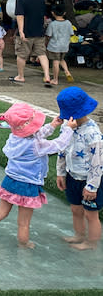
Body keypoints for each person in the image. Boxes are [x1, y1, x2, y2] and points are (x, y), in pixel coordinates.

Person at [0, 103, 76, 248]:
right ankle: (24, 245)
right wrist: (68, 129)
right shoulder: (36, 146)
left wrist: (53, 125)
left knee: (1, 211)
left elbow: (36, 134)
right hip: (28, 185)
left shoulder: (14, 138)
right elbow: (58, 144)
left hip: (10, 180)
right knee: (23, 223)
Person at [56, 87, 102, 250]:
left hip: (90, 179)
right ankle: (79, 235)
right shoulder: (66, 127)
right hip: (72, 175)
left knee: (91, 214)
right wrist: (60, 173)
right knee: (76, 209)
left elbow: (98, 162)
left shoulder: (93, 133)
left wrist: (92, 186)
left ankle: (91, 243)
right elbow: (62, 149)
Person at [10, 0, 51, 85]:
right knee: (42, 54)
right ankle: (47, 76)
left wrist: (21, 31)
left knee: (21, 55)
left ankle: (20, 76)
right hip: (39, 31)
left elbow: (20, 16)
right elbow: (43, 16)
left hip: (26, 32)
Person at [46, 4, 74, 85]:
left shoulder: (52, 24)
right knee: (61, 59)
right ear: (64, 13)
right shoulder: (68, 23)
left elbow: (49, 35)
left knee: (55, 62)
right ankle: (67, 71)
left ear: (53, 13)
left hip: (54, 46)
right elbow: (71, 34)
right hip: (65, 46)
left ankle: (55, 79)